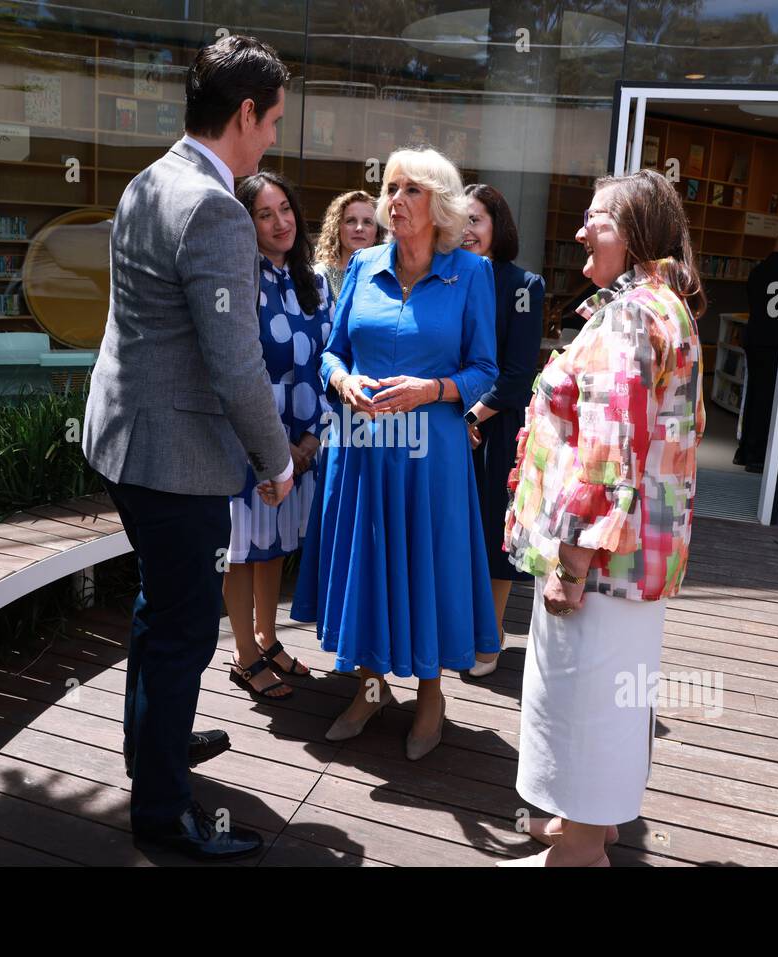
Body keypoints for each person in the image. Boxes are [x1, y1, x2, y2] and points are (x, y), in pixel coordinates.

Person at [82, 35, 294, 862]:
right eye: (272, 120)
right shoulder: (214, 209)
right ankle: (163, 810)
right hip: (173, 457)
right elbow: (236, 364)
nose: (274, 136)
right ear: (244, 113)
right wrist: (276, 461)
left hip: (128, 440)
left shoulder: (148, 179)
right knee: (183, 630)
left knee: (159, 612)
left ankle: (153, 752)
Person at [500, 168, 705, 867]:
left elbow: (609, 445)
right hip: (636, 554)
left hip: (603, 560)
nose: (583, 229)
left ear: (639, 236)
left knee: (586, 694)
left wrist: (574, 562)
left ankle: (580, 852)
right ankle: (587, 825)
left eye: (600, 220)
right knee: (612, 692)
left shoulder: (631, 314)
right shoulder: (659, 302)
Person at [291, 146, 499, 761]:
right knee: (369, 566)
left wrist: (431, 390)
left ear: (438, 204)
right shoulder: (364, 265)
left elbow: (487, 369)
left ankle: (431, 696)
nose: (395, 200)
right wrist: (342, 381)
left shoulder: (471, 274)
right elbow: (331, 352)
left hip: (430, 451)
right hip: (362, 446)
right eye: (390, 188)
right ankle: (370, 688)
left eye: (410, 189)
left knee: (426, 566)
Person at [225, 170, 331, 701]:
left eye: (285, 208)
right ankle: (244, 655)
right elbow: (236, 368)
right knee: (243, 549)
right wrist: (274, 447)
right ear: (246, 223)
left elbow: (330, 363)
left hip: (303, 443)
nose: (279, 221)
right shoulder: (239, 282)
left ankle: (268, 637)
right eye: (264, 213)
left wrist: (311, 440)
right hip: (250, 444)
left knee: (274, 546)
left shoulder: (315, 279)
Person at [458, 183, 544, 679]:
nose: (467, 229)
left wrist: (474, 416)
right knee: (456, 531)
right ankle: (461, 627)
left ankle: (490, 636)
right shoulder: (446, 279)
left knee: (494, 532)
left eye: (477, 220)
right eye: (461, 220)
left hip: (495, 424)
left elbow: (516, 375)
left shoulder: (522, 285)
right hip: (450, 422)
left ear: (497, 227)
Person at [735, 231, 778, 473]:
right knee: (768, 401)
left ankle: (745, 450)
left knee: (754, 397)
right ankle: (759, 455)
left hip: (756, 339)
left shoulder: (758, 270)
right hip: (777, 343)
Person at [314, 190, 379, 299]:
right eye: (351, 221)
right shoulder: (320, 276)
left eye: (367, 222)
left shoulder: (385, 277)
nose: (359, 228)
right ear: (337, 228)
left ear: (378, 233)